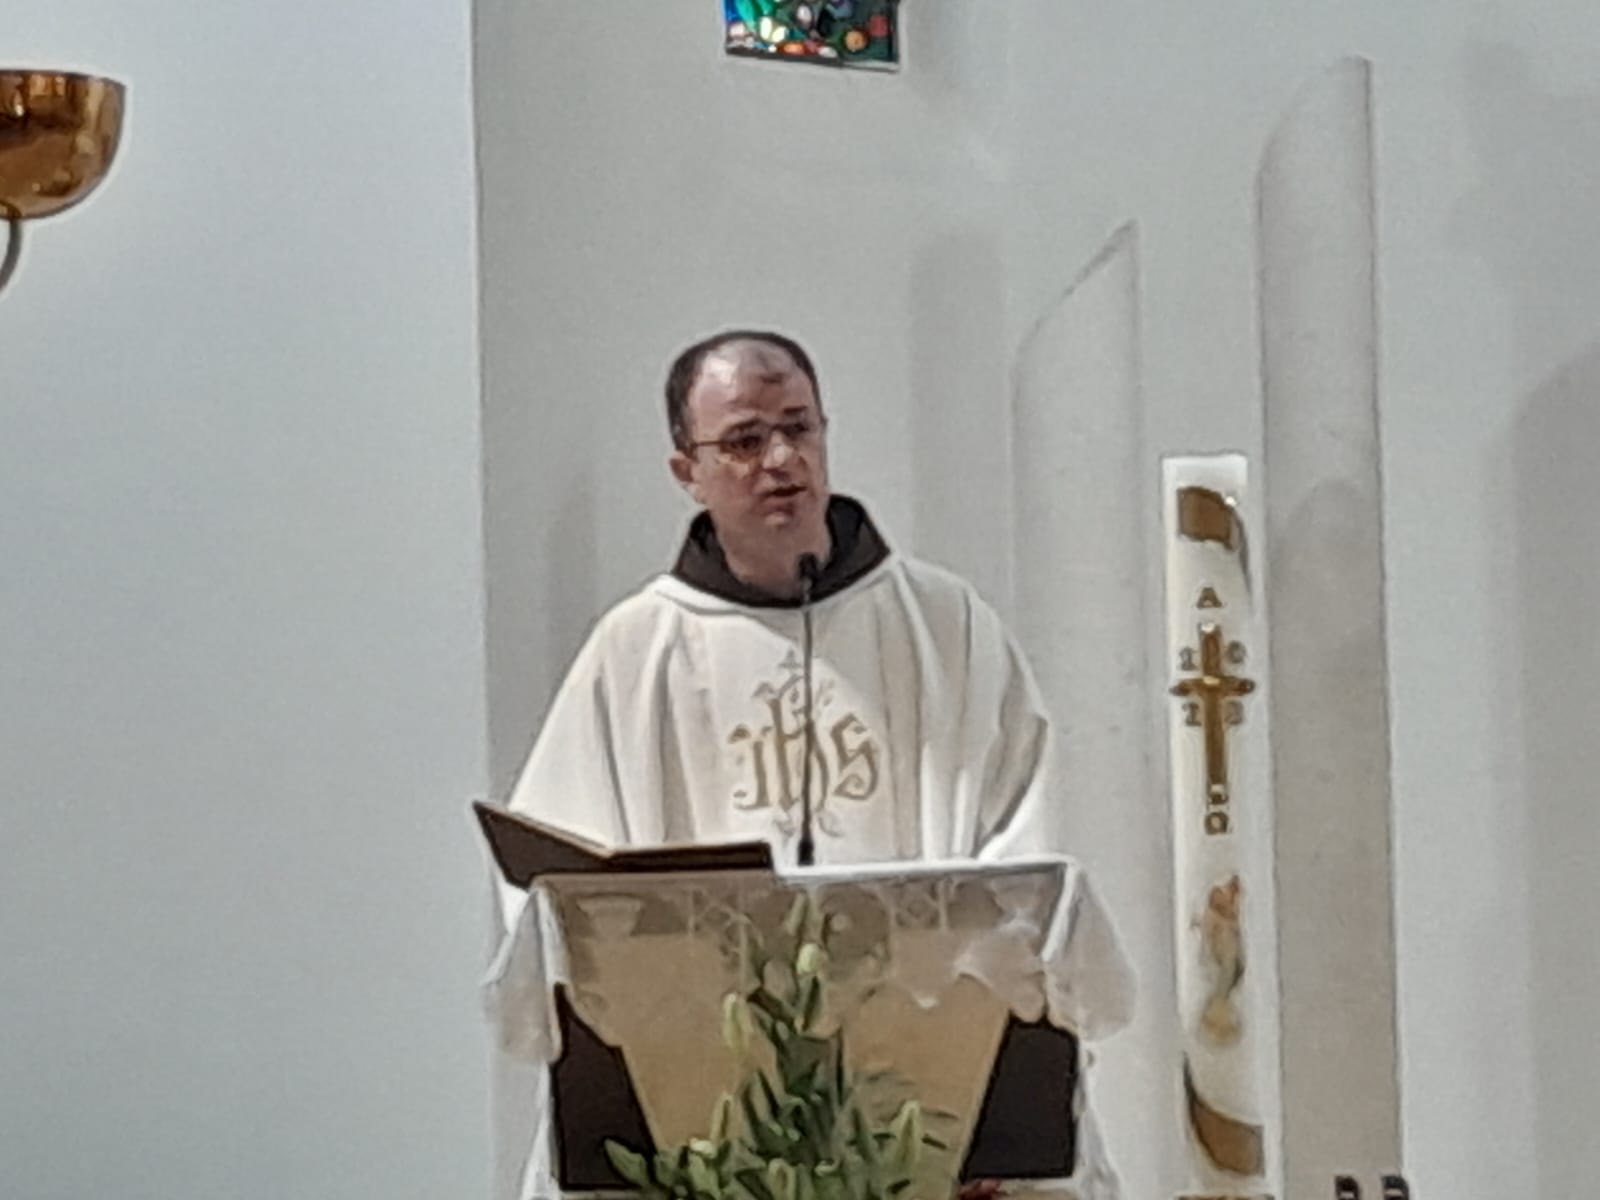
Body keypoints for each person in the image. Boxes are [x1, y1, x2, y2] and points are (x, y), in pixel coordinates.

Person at [486, 330, 1135, 1199]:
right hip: (705, 1106)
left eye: (799, 427)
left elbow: (1029, 844)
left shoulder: (945, 626)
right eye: (745, 440)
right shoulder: (635, 652)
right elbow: (556, 901)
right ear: (687, 470)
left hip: (929, 1093)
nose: (781, 460)